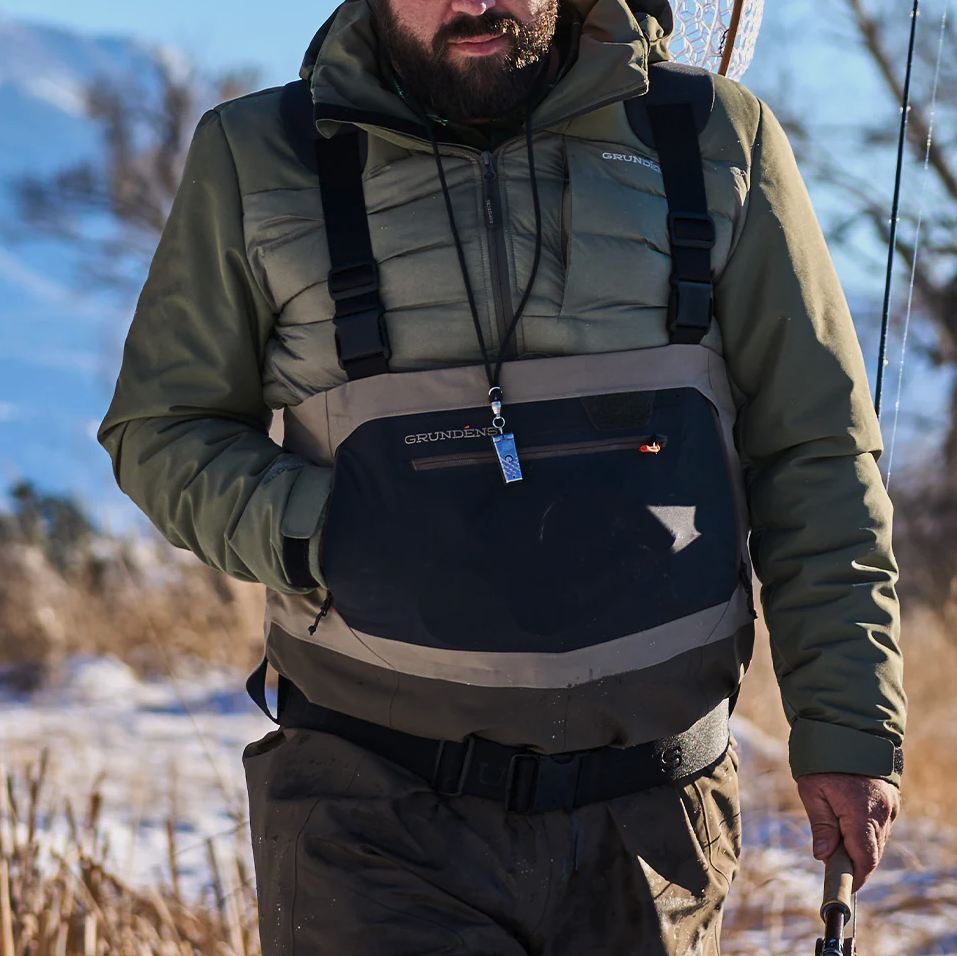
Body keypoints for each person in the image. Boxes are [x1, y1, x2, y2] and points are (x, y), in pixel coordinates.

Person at [98, 0, 906, 952]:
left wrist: (848, 727)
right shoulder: (255, 155)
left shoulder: (716, 137)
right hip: (370, 817)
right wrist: (324, 531)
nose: (473, 5)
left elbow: (813, 453)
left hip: (653, 819)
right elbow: (163, 428)